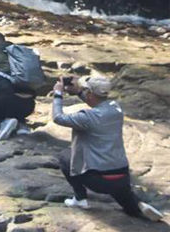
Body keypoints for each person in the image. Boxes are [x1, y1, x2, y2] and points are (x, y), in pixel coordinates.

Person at [52, 76, 164, 221]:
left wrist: (58, 93)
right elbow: (98, 104)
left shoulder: (87, 117)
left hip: (97, 179)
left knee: (65, 156)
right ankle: (137, 206)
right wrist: (79, 92)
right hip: (122, 175)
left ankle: (80, 198)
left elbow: (58, 117)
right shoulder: (116, 108)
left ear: (90, 93)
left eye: (85, 90)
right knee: (122, 194)